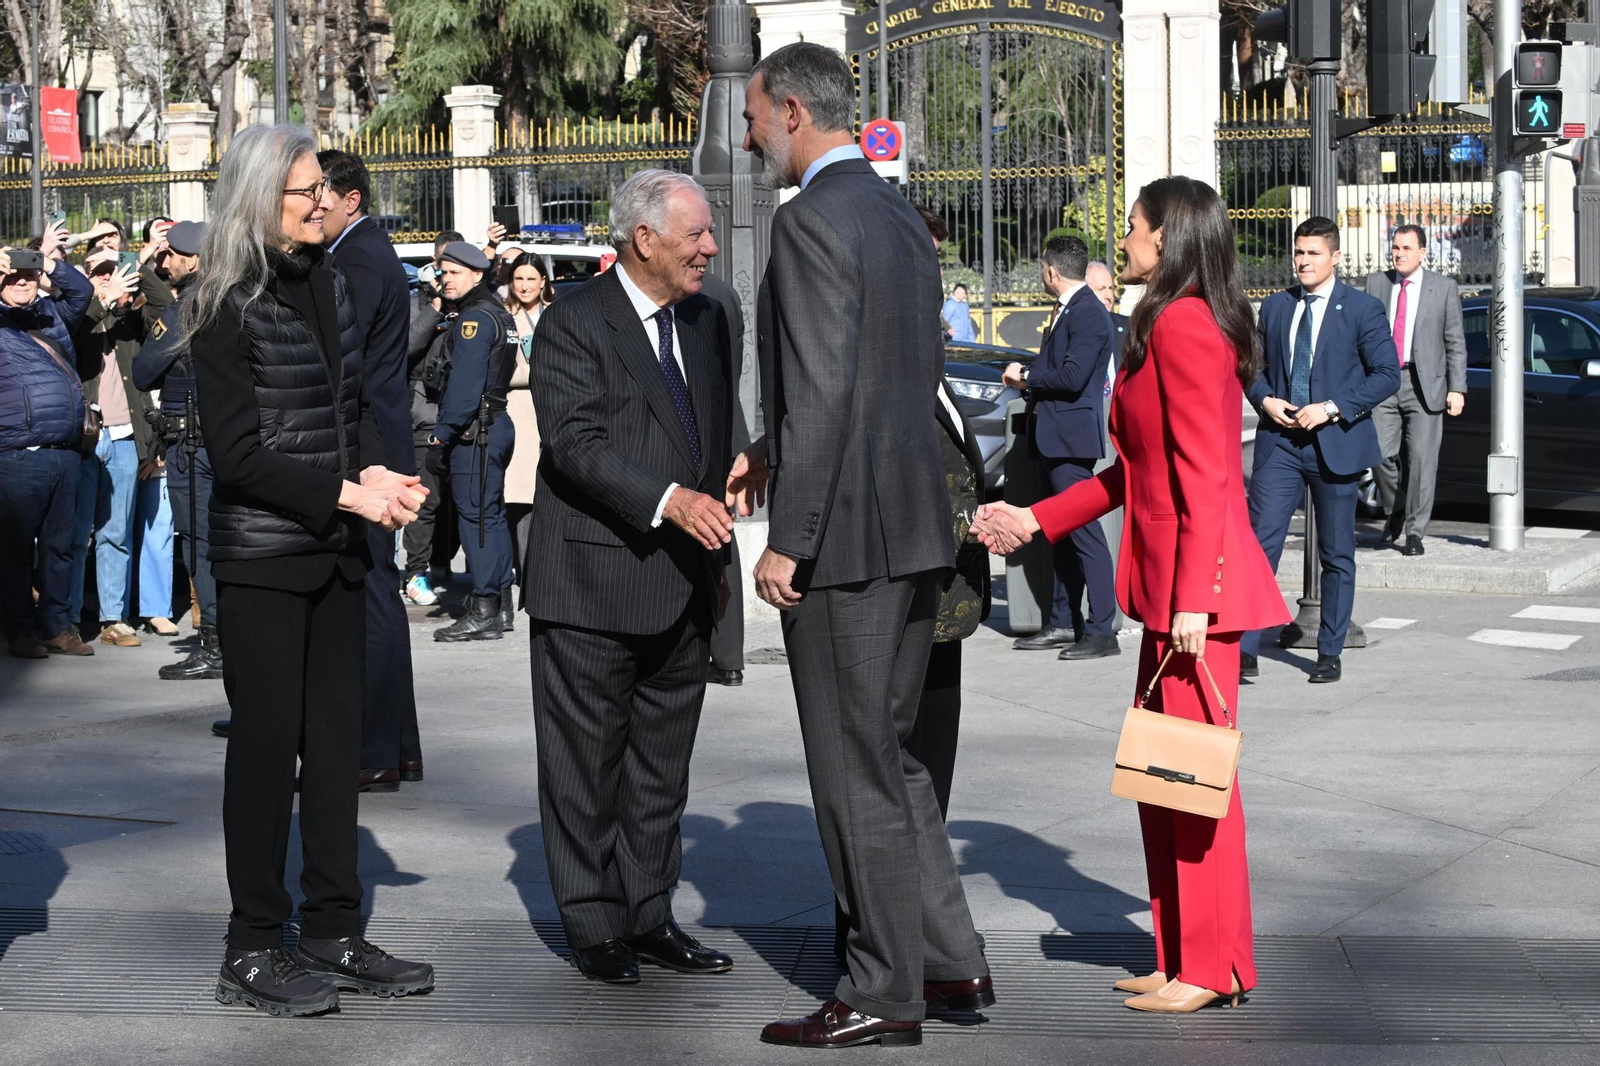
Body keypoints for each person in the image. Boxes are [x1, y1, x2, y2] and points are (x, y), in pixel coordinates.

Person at [973, 175, 1291, 1014]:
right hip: (1169, 596)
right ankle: (1181, 952)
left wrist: (1193, 600)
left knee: (1195, 786)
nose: (1125, 238)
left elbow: (1210, 476)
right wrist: (1035, 519)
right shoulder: (1166, 319)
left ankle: (1213, 966)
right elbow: (1129, 476)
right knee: (1165, 781)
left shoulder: (1187, 325)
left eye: (1135, 226)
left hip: (1196, 598)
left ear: (1170, 237)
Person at [733, 42, 991, 1049]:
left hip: (843, 539)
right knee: (896, 763)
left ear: (793, 109)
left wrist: (786, 539)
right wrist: (771, 446)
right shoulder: (894, 214)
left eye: (755, 116)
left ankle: (884, 988)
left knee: (853, 772)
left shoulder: (808, 224)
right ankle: (948, 960)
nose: (749, 134)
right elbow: (889, 375)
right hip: (912, 522)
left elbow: (832, 385)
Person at [182, 125, 433, 1017]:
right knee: (264, 752)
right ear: (262, 200)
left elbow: (351, 406)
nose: (323, 201)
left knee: (334, 749)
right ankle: (251, 946)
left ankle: (332, 928)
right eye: (305, 191)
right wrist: (343, 495)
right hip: (262, 561)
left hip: (337, 549)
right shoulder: (223, 304)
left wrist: (375, 478)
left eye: (323, 188)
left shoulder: (328, 281)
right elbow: (240, 457)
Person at [523, 168, 735, 985]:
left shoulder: (709, 318)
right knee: (584, 768)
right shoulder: (575, 322)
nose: (710, 249)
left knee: (659, 771)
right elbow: (575, 445)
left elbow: (708, 424)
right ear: (642, 239)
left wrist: (736, 465)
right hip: (591, 586)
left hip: (684, 583)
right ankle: (594, 923)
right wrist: (671, 499)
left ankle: (649, 913)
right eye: (696, 236)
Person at [832, 202, 991, 961]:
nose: (926, 274)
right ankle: (886, 943)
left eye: (931, 261)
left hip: (944, 617)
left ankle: (925, 942)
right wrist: (978, 522)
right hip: (901, 611)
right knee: (890, 784)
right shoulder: (873, 369)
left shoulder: (931, 365)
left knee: (929, 787)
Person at [1242, 217, 1400, 684]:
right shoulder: (1274, 307)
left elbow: (1386, 374)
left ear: (1335, 257)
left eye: (1313, 253)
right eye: (1298, 252)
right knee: (1259, 545)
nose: (1303, 261)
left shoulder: (1362, 309)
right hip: (1282, 443)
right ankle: (1245, 648)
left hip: (1336, 443)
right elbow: (1251, 368)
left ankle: (1329, 651)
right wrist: (1265, 399)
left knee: (1336, 553)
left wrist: (1331, 408)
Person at [318, 148, 425, 792]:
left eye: (319, 194)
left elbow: (343, 359)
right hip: (375, 440)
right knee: (376, 591)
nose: (311, 205)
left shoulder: (356, 258)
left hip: (368, 448)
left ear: (351, 198)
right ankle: (397, 743)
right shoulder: (365, 251)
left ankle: (377, 746)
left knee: (372, 597)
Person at [1003, 235, 1117, 661]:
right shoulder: (1071, 307)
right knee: (1061, 533)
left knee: (1085, 535)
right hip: (1053, 438)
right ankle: (1065, 620)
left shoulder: (1087, 311)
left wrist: (1025, 378)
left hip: (1070, 442)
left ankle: (1102, 629)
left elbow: (1070, 377)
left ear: (1051, 271)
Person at [133, 221, 226, 683]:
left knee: (199, 541)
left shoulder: (186, 306)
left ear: (192, 260)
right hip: (231, 440)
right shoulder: (238, 298)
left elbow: (145, 370)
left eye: (170, 255)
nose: (164, 262)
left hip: (193, 444)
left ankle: (215, 644)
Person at [0, 221, 97, 659]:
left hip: (65, 454)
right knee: (16, 551)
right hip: (19, 455)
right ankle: (19, 632)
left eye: (28, 275)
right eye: (11, 276)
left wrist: (50, 263)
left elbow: (82, 293)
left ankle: (58, 626)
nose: (21, 282)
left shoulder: (50, 315)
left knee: (61, 547)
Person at [68, 246, 165, 647]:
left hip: (125, 436)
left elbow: (164, 306)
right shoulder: (76, 316)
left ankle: (113, 617)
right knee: (74, 535)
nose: (108, 277)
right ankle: (66, 619)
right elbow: (76, 327)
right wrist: (101, 299)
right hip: (84, 440)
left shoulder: (134, 321)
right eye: (99, 271)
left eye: (113, 270)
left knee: (115, 533)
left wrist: (138, 268)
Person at [424, 241, 517, 641]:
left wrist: (439, 435)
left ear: (477, 274)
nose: (446, 279)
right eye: (443, 272)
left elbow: (464, 388)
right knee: (491, 519)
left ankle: (484, 609)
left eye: (455, 273)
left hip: (475, 433)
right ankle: (498, 605)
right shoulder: (497, 312)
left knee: (477, 522)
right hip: (494, 425)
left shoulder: (474, 320)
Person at [1366, 224, 1467, 557]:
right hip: (1384, 381)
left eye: (1407, 248)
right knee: (1379, 454)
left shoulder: (1444, 288)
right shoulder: (1377, 284)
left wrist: (1457, 388)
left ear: (1423, 252)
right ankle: (1396, 510)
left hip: (1426, 384)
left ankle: (1414, 531)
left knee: (1423, 461)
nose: (1399, 254)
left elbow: (1455, 342)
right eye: (1395, 247)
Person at [402, 230, 464, 605]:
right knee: (425, 500)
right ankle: (415, 572)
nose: (447, 274)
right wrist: (437, 309)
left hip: (462, 416)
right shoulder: (417, 303)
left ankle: (445, 564)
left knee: (455, 501)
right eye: (444, 265)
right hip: (424, 414)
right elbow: (407, 346)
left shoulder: (475, 305)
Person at [699, 268, 749, 687]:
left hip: (697, 435)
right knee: (723, 544)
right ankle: (729, 656)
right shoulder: (725, 291)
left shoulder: (680, 290)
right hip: (730, 431)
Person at [502, 250, 552, 603]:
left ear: (544, 282)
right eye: (518, 278)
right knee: (517, 499)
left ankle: (540, 570)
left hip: (548, 414)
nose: (524, 285)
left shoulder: (556, 315)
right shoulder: (503, 317)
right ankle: (521, 572)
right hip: (516, 415)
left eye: (531, 279)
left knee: (542, 497)